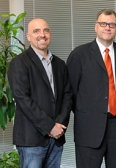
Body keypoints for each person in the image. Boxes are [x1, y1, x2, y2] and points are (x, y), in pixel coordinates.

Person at [67, 9, 116, 168]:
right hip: (89, 129)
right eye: (103, 23)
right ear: (95, 27)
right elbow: (71, 93)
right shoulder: (79, 54)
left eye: (112, 24)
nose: (107, 27)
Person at [7, 18, 73, 168]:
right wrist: (50, 127)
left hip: (56, 139)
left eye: (46, 30)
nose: (42, 34)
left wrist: (59, 124)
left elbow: (68, 96)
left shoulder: (59, 64)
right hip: (31, 139)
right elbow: (23, 99)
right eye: (36, 31)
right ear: (28, 36)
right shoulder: (19, 63)